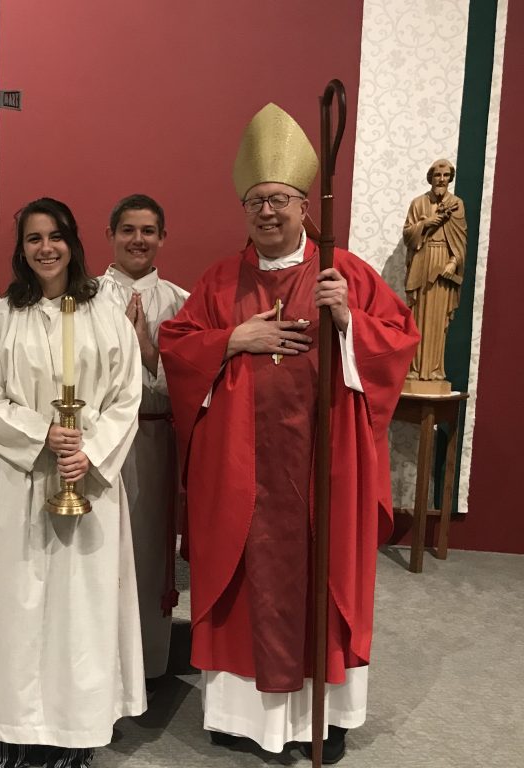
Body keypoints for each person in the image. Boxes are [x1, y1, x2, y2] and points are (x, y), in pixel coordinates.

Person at [159, 104, 418, 764]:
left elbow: (396, 347)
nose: (266, 213)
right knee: (242, 577)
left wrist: (347, 321)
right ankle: (240, 715)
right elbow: (179, 347)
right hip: (243, 473)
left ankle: (320, 719)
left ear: (305, 205)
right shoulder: (221, 279)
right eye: (255, 202)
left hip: (320, 471)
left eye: (278, 200)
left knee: (322, 576)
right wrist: (231, 340)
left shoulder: (345, 273)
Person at [0, 197, 145, 768]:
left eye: (55, 236)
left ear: (73, 241)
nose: (46, 248)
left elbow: (126, 394)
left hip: (88, 482)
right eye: (34, 238)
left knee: (78, 611)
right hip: (18, 480)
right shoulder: (2, 316)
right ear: (21, 249)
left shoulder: (105, 313)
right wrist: (41, 436)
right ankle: (6, 725)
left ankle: (74, 728)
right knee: (11, 605)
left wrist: (88, 448)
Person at [97, 194, 188, 687]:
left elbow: (192, 387)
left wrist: (150, 349)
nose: (137, 240)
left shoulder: (182, 302)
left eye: (148, 230)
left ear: (162, 237)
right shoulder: (85, 297)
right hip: (99, 447)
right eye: (127, 229)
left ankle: (148, 663)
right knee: (100, 547)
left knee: (148, 549)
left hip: (153, 440)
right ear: (110, 234)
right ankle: (100, 658)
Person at [403, 158, 466, 383]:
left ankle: (435, 370)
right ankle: (415, 369)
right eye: (438, 175)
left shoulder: (456, 204)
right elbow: (408, 236)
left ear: (450, 178)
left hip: (442, 267)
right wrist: (427, 223)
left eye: (446, 176)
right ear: (431, 177)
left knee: (438, 320)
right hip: (423, 260)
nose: (441, 180)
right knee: (418, 316)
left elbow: (460, 241)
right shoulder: (418, 203)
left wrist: (454, 260)